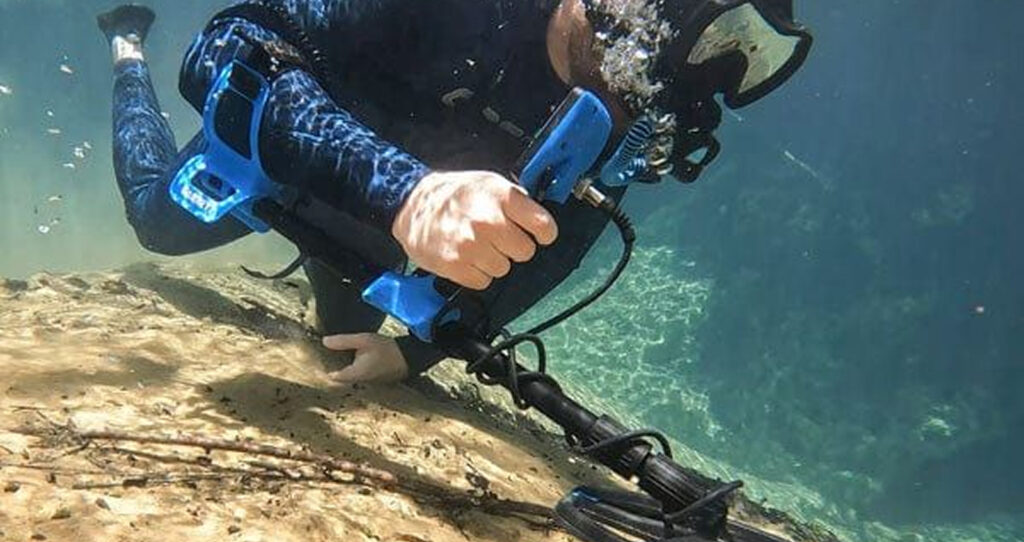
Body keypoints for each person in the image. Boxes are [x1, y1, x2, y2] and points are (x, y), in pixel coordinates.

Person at [96, 0, 811, 384]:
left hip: (370, 235)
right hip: (286, 151)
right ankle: (127, 47)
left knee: (341, 350)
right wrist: (407, 193)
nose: (626, 104)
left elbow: (551, 248)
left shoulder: (629, 118)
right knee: (157, 222)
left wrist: (417, 355)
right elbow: (227, 45)